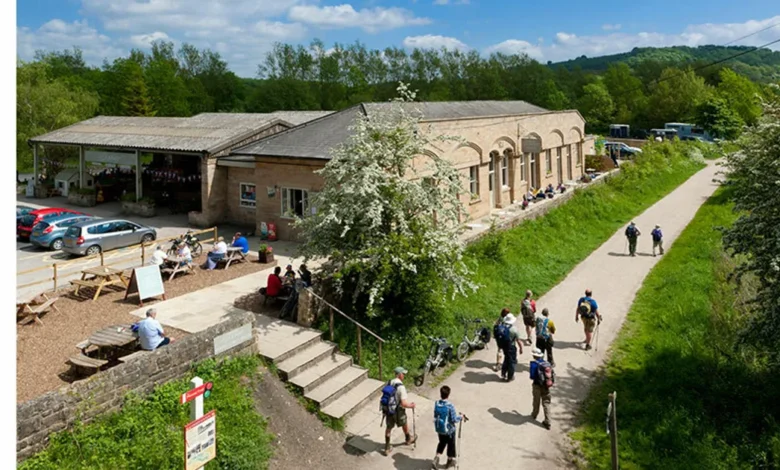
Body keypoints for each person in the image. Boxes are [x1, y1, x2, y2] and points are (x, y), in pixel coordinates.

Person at [383, 367, 417, 455]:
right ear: (399, 375)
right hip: (398, 410)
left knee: (388, 428)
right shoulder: (401, 387)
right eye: (403, 374)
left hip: (389, 409)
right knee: (404, 422)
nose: (404, 376)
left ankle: (387, 448)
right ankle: (408, 439)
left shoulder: (390, 382)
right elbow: (404, 403)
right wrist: (411, 405)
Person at [432, 385, 465, 470]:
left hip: (440, 429)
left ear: (441, 394)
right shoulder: (450, 406)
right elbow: (454, 419)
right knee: (451, 445)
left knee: (441, 443)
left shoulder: (437, 403)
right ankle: (449, 461)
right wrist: (461, 417)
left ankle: (436, 458)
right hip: (449, 430)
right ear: (448, 394)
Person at [530, 348, 554, 429]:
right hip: (546, 385)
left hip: (537, 385)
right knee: (546, 402)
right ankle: (548, 421)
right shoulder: (547, 363)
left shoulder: (534, 364)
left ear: (534, 356)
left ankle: (534, 414)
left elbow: (532, 376)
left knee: (536, 400)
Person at [496, 313, 523, 381]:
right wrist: (521, 348)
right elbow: (518, 340)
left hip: (504, 346)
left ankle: (503, 373)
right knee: (512, 362)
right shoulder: (514, 329)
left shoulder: (502, 327)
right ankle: (510, 376)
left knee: (506, 359)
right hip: (511, 347)